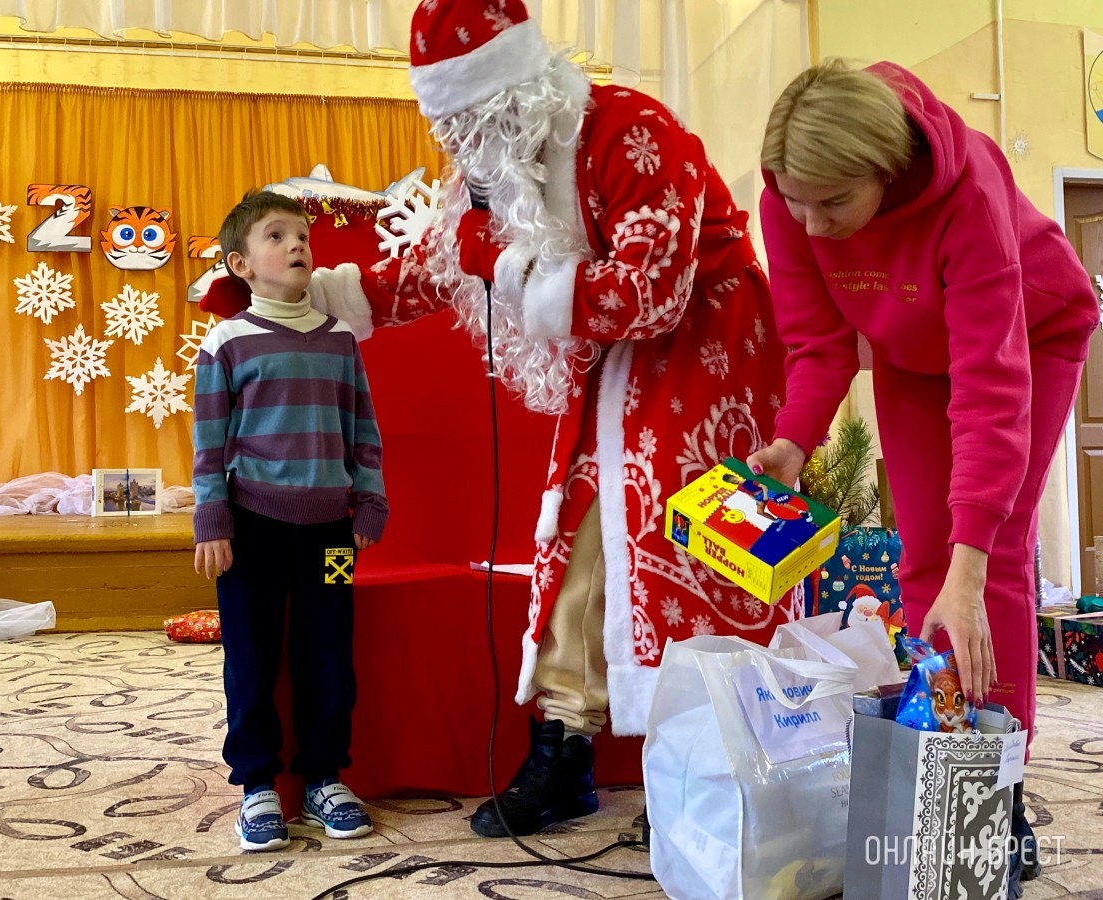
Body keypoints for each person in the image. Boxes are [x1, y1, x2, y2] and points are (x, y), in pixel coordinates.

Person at [293, 0, 789, 837]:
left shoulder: (635, 131)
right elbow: (436, 266)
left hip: (709, 345)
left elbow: (651, 296)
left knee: (700, 537)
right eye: (448, 131)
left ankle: (721, 764)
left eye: (471, 126)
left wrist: (506, 262)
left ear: (518, 96)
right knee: (579, 530)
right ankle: (566, 747)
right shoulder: (504, 164)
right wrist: (309, 298)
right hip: (611, 353)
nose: (459, 152)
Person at [749, 58, 1099, 895]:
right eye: (796, 202)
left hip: (1033, 333)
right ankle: (938, 756)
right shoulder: (790, 201)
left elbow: (991, 384)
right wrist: (795, 440)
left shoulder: (967, 192)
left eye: (834, 203)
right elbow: (818, 342)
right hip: (912, 353)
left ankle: (993, 787)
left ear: (885, 169)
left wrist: (971, 562)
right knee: (923, 560)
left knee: (991, 556)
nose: (811, 223)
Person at [192, 190, 388, 851]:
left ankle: (324, 777)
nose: (298, 245)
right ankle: (255, 785)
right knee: (250, 658)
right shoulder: (226, 342)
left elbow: (362, 429)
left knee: (329, 653)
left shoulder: (339, 341)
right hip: (251, 530)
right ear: (241, 264)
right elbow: (209, 441)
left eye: (302, 234)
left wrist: (368, 500)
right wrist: (211, 518)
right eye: (276, 236)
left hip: (331, 535)